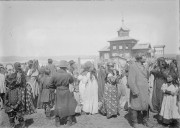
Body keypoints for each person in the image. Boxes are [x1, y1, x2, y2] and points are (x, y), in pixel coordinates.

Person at [48, 60, 77, 127]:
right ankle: (68, 122)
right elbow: (72, 81)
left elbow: (50, 84)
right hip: (66, 91)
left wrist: (54, 88)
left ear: (60, 67)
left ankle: (57, 122)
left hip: (58, 91)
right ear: (65, 67)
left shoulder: (54, 75)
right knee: (67, 106)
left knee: (58, 106)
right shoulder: (68, 75)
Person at [128, 55, 154, 128]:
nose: (146, 58)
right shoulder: (133, 66)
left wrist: (149, 67)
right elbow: (130, 80)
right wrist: (135, 90)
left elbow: (146, 77)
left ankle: (146, 121)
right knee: (135, 106)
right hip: (137, 90)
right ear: (139, 58)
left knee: (146, 106)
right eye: (144, 57)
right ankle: (135, 122)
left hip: (144, 91)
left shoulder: (143, 66)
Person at [5, 62, 26, 128]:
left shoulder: (17, 90)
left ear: (14, 84)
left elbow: (20, 97)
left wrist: (17, 104)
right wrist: (10, 105)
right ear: (8, 85)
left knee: (20, 117)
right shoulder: (7, 91)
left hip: (18, 106)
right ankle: (12, 126)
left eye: (12, 84)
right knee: (11, 118)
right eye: (9, 85)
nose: (10, 86)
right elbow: (5, 99)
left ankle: (22, 125)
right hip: (10, 107)